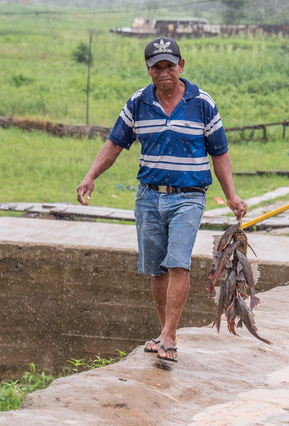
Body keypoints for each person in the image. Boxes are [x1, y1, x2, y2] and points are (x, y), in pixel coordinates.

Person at [77, 37, 247, 363]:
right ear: (149, 70)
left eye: (170, 65)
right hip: (149, 197)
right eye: (157, 67)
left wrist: (231, 195)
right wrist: (90, 177)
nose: (164, 72)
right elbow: (114, 144)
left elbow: (220, 153)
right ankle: (164, 330)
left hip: (189, 197)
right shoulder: (138, 103)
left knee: (178, 262)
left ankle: (170, 334)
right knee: (157, 270)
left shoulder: (202, 103)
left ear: (181, 66)